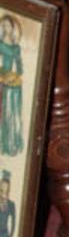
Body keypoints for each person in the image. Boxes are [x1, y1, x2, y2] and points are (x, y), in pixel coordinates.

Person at [0, 14, 24, 156]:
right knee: (4, 113)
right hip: (2, 78)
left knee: (12, 113)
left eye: (8, 25)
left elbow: (19, 65)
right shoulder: (0, 44)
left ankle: (11, 144)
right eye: (4, 26)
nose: (6, 28)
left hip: (12, 80)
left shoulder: (16, 47)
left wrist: (17, 75)